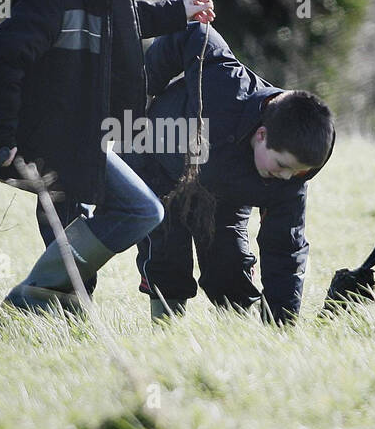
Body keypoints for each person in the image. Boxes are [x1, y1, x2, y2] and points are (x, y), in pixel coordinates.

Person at [0, 0, 215, 313]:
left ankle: (49, 307)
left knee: (110, 223)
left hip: (81, 136)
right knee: (139, 210)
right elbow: (0, 57)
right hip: (46, 143)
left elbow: (126, 23)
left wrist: (177, 12)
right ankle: (33, 301)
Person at [128, 22, 335, 326]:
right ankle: (165, 331)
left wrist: (282, 323)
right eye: (281, 166)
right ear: (262, 135)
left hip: (224, 194)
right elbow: (194, 33)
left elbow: (285, 249)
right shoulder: (225, 86)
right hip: (161, 166)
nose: (287, 178)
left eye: (298, 172)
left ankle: (235, 330)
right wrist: (141, 90)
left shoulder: (293, 176)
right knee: (166, 257)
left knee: (229, 267)